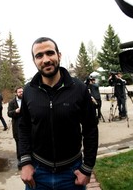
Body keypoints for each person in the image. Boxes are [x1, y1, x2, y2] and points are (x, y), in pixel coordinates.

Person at [18, 37, 98, 190]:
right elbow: (23, 127)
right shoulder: (28, 90)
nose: (46, 59)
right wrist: (25, 161)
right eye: (39, 56)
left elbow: (90, 129)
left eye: (50, 53)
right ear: (34, 61)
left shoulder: (79, 88)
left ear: (59, 55)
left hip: (71, 174)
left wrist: (87, 168)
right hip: (37, 173)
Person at [7, 86, 23, 169]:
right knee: (19, 144)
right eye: (19, 92)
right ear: (16, 93)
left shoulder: (26, 100)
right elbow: (9, 113)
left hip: (27, 126)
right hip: (17, 126)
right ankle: (20, 160)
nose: (21, 93)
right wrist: (15, 111)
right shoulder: (12, 103)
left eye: (22, 91)